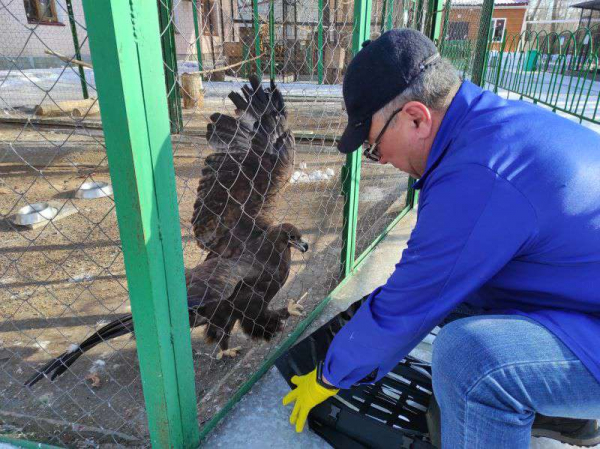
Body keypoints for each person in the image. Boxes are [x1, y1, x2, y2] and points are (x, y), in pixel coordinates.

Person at [282, 28, 600, 448]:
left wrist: (329, 376)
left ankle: (533, 401)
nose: (383, 160)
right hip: (583, 298)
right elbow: (436, 282)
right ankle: (564, 414)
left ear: (416, 117)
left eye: (375, 147)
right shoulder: (490, 127)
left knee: (470, 362)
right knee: (467, 294)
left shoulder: (478, 176)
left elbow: (409, 302)